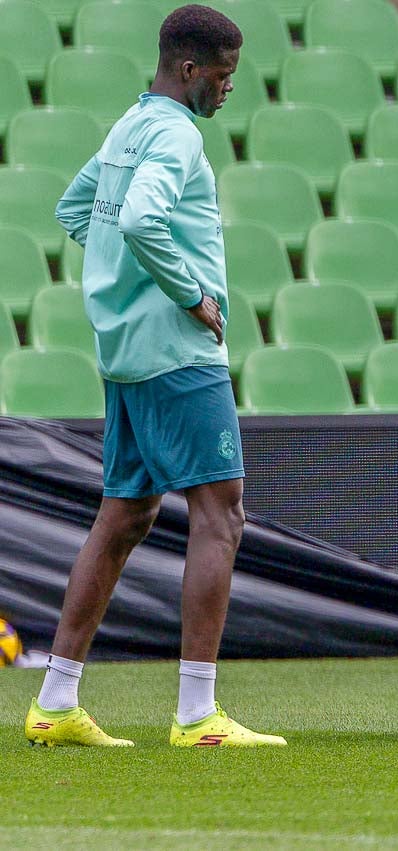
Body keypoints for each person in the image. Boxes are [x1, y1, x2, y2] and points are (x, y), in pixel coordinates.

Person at [25, 5, 284, 748]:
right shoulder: (174, 133)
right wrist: (188, 294)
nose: (231, 86)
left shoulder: (129, 124)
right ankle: (198, 713)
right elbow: (140, 220)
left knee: (126, 515)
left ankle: (56, 697)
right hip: (178, 351)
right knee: (221, 513)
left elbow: (77, 209)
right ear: (190, 69)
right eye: (225, 74)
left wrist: (120, 283)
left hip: (126, 352)